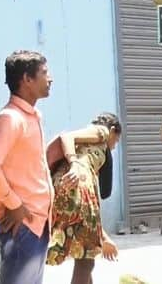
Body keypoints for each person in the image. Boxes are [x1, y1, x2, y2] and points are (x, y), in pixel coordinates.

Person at [0, 50, 54, 284]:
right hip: (22, 226)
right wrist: (14, 203)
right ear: (27, 79)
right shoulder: (10, 119)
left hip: (36, 223)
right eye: (44, 73)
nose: (50, 78)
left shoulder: (32, 116)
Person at [46, 113, 123, 284]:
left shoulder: (88, 148)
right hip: (77, 187)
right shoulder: (101, 132)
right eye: (116, 141)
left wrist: (103, 237)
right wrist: (73, 163)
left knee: (83, 253)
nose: (114, 147)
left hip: (64, 190)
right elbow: (66, 136)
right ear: (112, 130)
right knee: (86, 259)